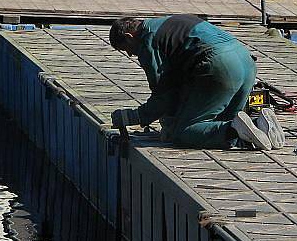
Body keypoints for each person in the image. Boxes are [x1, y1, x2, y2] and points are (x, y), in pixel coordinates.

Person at [108, 14, 285, 150]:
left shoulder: (148, 42)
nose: (131, 55)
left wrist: (133, 117)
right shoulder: (167, 24)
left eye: (126, 50)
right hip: (245, 60)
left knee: (184, 133)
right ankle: (259, 124)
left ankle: (236, 131)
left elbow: (163, 96)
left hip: (221, 66)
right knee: (219, 121)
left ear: (130, 36)